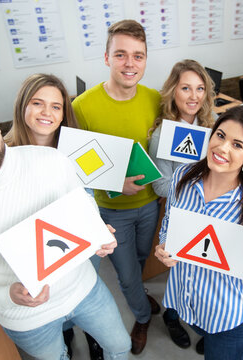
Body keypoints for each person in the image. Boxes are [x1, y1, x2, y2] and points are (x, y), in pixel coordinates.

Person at [0, 86, 131, 360]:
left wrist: (96, 231)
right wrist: (8, 296)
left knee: (119, 347)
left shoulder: (51, 160)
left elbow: (82, 201)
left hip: (87, 289)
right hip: (27, 319)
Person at [155, 106, 243, 360]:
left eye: (237, 145)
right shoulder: (183, 175)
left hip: (229, 319)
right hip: (186, 302)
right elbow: (169, 221)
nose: (223, 148)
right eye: (221, 136)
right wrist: (164, 245)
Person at [71, 19, 161, 355]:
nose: (129, 63)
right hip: (110, 212)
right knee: (125, 275)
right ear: (106, 57)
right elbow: (75, 167)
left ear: (146, 60)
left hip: (151, 204)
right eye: (120, 54)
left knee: (139, 260)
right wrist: (113, 184)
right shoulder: (82, 106)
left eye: (138, 56)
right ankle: (141, 316)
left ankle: (140, 295)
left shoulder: (156, 100)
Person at [4, 73, 104, 360]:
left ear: (64, 112)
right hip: (41, 245)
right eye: (37, 103)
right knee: (55, 298)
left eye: (56, 106)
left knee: (85, 294)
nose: (47, 113)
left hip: (81, 240)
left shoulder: (76, 148)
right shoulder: (4, 154)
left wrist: (97, 227)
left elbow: (89, 194)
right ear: (23, 106)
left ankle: (93, 336)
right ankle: (66, 333)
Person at [147, 59, 216, 350]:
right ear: (173, 91)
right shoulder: (162, 134)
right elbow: (159, 185)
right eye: (185, 88)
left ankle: (205, 322)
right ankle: (172, 316)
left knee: (206, 270)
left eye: (200, 88)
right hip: (179, 217)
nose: (193, 96)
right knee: (179, 272)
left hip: (212, 213)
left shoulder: (214, 129)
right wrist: (197, 180)